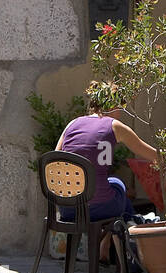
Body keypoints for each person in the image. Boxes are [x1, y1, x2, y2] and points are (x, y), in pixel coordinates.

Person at [56, 92, 159, 224]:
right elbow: (154, 156)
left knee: (111, 185)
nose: (120, 114)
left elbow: (55, 160)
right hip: (99, 207)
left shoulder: (72, 124)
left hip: (67, 208)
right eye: (120, 108)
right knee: (118, 185)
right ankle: (134, 223)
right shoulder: (114, 125)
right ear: (113, 106)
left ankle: (131, 223)